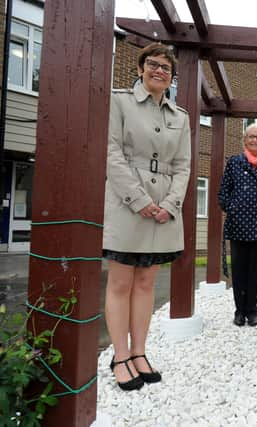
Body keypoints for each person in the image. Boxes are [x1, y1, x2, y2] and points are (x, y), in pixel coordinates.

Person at [103, 43, 191, 390]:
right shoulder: (119, 101)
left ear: (171, 77)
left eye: (166, 68)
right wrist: (138, 199)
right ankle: (120, 356)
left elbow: (184, 166)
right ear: (140, 69)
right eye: (152, 64)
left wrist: (169, 204)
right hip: (127, 203)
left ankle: (139, 352)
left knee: (146, 283)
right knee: (121, 282)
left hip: (163, 209)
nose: (159, 70)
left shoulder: (180, 117)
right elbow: (111, 153)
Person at [218, 124, 257, 327]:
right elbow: (223, 192)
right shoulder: (235, 162)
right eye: (251, 136)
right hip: (238, 225)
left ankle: (252, 310)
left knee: (256, 270)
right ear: (244, 139)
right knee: (239, 270)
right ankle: (239, 310)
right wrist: (232, 207)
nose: (254, 140)